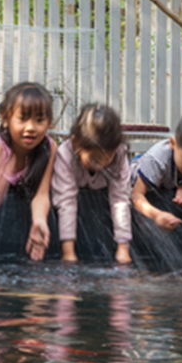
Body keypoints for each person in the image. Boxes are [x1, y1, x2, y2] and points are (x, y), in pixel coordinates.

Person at [0, 81, 56, 261]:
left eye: (39, 120)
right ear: (6, 118)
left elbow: (41, 194)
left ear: (49, 122)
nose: (31, 127)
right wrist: (2, 165)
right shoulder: (0, 145)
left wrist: (39, 220)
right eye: (22, 119)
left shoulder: (49, 147)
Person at [52, 103, 132, 265]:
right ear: (76, 144)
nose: (100, 165)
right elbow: (66, 201)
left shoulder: (119, 155)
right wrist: (68, 252)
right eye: (93, 159)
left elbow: (120, 200)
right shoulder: (65, 155)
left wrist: (123, 248)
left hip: (102, 198)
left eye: (107, 158)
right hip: (71, 202)